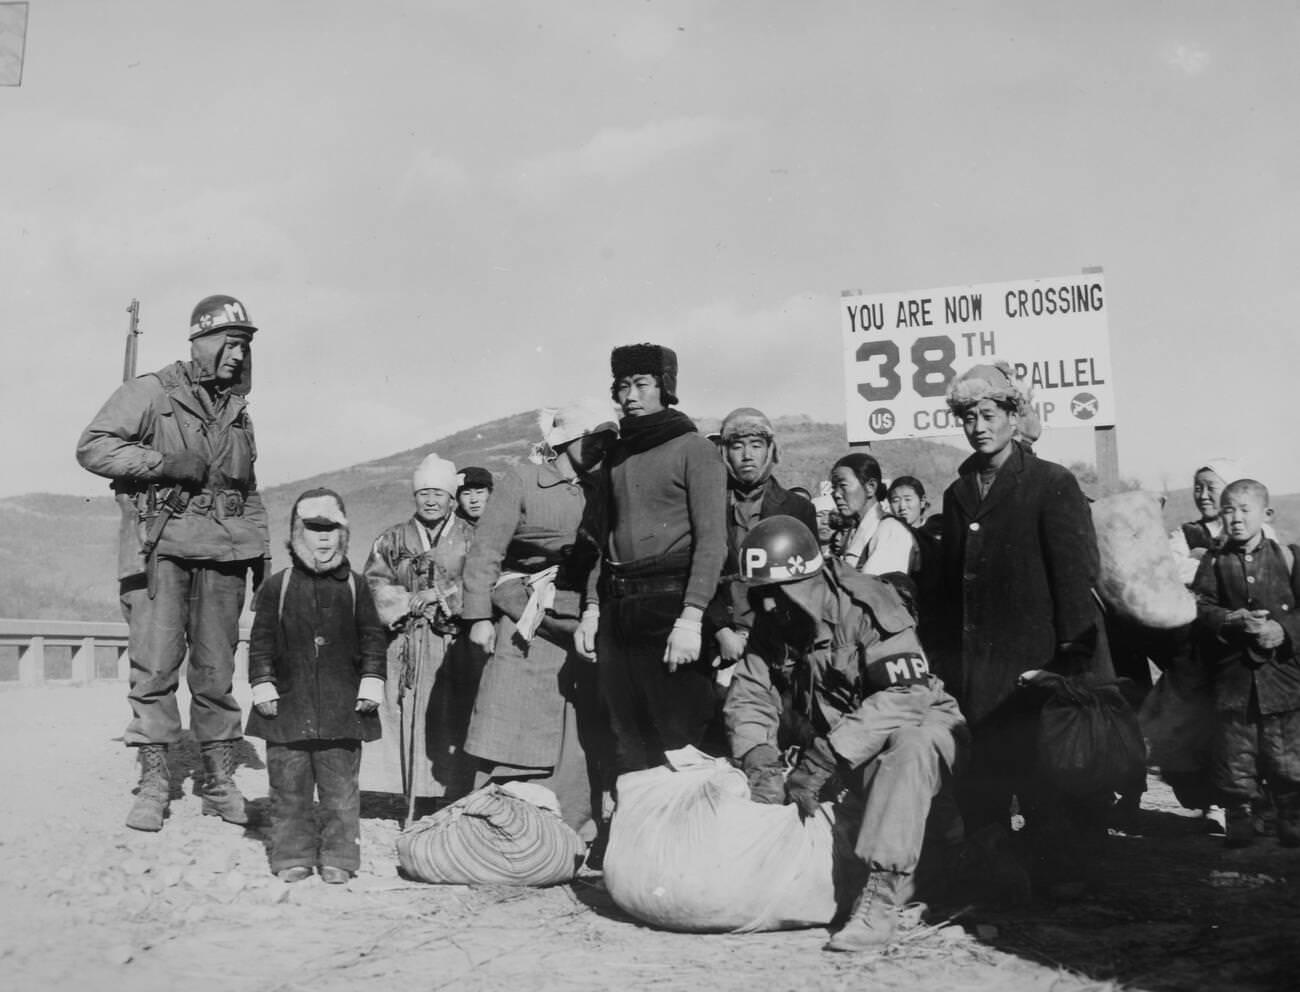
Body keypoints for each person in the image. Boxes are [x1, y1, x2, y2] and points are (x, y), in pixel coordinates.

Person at [725, 515, 966, 951]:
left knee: (910, 745)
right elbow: (750, 694)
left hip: (916, 732)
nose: (765, 608)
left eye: (776, 594)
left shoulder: (870, 604)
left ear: (808, 581)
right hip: (847, 751)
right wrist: (758, 756)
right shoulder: (775, 621)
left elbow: (905, 695)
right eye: (757, 595)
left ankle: (882, 901)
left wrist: (825, 757)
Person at [76, 294, 269, 832]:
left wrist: (263, 552)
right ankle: (156, 780)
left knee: (216, 671)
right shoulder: (150, 393)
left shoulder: (237, 412)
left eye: (246, 345)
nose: (238, 355)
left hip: (224, 553)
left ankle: (218, 779)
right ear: (203, 343)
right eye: (231, 343)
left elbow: (247, 489)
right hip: (160, 549)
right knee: (156, 666)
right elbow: (93, 447)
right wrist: (161, 463)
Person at [937, 361, 1113, 885]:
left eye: (989, 414)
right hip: (975, 667)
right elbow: (948, 589)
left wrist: (1070, 662)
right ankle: (996, 876)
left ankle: (1061, 879)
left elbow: (1073, 580)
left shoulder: (1051, 482)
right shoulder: (957, 492)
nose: (979, 426)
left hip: (1037, 663)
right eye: (968, 416)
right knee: (984, 774)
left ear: (1015, 416)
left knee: (1046, 779)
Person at [461, 401, 617, 841]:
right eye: (593, 438)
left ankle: (570, 828)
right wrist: (479, 617)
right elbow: (486, 549)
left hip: (576, 614)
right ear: (566, 439)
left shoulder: (601, 487)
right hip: (522, 613)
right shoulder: (523, 480)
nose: (600, 447)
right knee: (510, 708)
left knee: (573, 723)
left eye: (606, 440)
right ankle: (499, 823)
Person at [576, 343, 727, 777]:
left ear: (665, 390)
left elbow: (713, 541)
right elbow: (602, 541)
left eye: (642, 385)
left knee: (680, 743)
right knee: (628, 741)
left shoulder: (694, 449)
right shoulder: (618, 454)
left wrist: (692, 617)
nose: (630, 397)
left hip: (670, 608)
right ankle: (635, 843)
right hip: (619, 609)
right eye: (622, 387)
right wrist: (591, 609)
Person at [246, 489, 386, 883]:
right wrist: (263, 684)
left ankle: (339, 857)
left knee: (340, 789)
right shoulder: (279, 586)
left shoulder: (356, 587)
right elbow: (261, 641)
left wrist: (372, 680)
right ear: (296, 533)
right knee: (289, 785)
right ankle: (293, 854)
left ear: (343, 535)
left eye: (332, 529)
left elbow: (373, 638)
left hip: (343, 708)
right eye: (313, 528)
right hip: (287, 707)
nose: (323, 538)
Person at [363, 453, 476, 817]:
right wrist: (408, 601)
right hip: (406, 642)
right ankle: (417, 802)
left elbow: (484, 579)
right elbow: (374, 583)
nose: (430, 500)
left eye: (438, 494)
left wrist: (443, 595)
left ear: (451, 498)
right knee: (409, 717)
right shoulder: (392, 538)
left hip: (455, 643)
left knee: (455, 717)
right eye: (424, 493)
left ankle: (456, 801)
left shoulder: (472, 536)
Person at [1191, 478, 1300, 848]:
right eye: (1228, 510)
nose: (1235, 518)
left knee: (1287, 756)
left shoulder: (1288, 557)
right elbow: (1201, 607)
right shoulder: (1214, 560)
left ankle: (1291, 818)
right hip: (1233, 681)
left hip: (1282, 682)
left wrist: (1283, 631)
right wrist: (1228, 620)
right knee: (1235, 757)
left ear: (1266, 513)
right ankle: (1239, 817)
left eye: (1244, 509)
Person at [707, 407, 818, 671]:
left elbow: (811, 585)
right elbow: (698, 572)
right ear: (724, 453)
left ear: (770, 450)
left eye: (756, 445)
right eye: (737, 446)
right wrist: (721, 630)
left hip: (783, 645)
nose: (747, 455)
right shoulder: (707, 507)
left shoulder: (798, 509)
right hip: (723, 643)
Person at [828, 453, 915, 576]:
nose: (836, 494)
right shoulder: (853, 531)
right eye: (834, 487)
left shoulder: (890, 530)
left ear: (870, 487)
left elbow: (879, 591)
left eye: (843, 485)